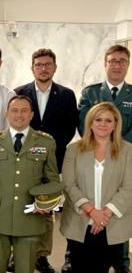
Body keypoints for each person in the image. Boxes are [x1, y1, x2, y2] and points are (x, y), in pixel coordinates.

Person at [0, 95, 60, 273]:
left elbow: (52, 181)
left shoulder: (46, 143)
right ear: (7, 114)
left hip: (30, 218)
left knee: (25, 269)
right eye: (14, 110)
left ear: (31, 115)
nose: (19, 115)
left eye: (24, 111)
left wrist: (46, 202)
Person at [14, 48, 77, 273]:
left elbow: (70, 128)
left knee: (46, 207)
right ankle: (17, 255)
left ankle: (41, 256)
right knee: (21, 204)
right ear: (32, 68)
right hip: (24, 159)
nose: (43, 68)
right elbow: (16, 123)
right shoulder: (20, 91)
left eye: (48, 64)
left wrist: (47, 148)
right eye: (39, 64)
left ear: (54, 67)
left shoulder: (67, 94)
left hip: (52, 160)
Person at [77, 44, 132, 273]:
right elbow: (83, 125)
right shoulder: (91, 92)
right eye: (113, 60)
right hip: (93, 156)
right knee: (89, 204)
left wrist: (118, 148)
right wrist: (101, 145)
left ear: (128, 65)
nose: (117, 65)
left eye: (122, 61)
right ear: (105, 63)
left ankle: (121, 261)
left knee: (120, 207)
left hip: (125, 157)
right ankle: (78, 255)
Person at [60, 102, 132, 273]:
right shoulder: (73, 150)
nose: (103, 124)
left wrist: (104, 215)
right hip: (80, 222)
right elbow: (69, 185)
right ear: (90, 123)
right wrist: (93, 212)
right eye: (98, 119)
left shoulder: (128, 151)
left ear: (115, 124)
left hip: (112, 223)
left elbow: (129, 187)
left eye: (108, 120)